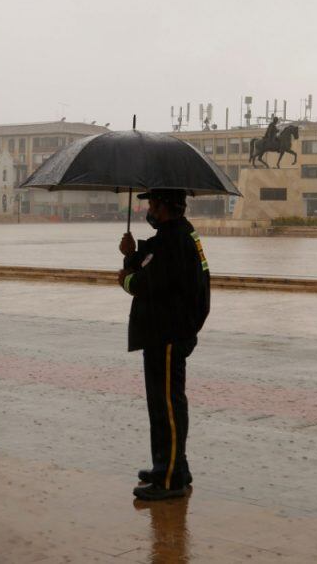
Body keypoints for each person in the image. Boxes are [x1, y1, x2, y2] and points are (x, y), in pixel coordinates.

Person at [117, 189, 210, 501]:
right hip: (168, 331)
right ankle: (171, 467)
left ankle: (169, 479)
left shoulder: (175, 241)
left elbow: (146, 281)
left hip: (167, 333)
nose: (149, 210)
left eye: (152, 205)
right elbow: (147, 261)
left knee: (167, 406)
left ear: (165, 207)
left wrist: (125, 279)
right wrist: (130, 255)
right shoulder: (177, 234)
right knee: (165, 404)